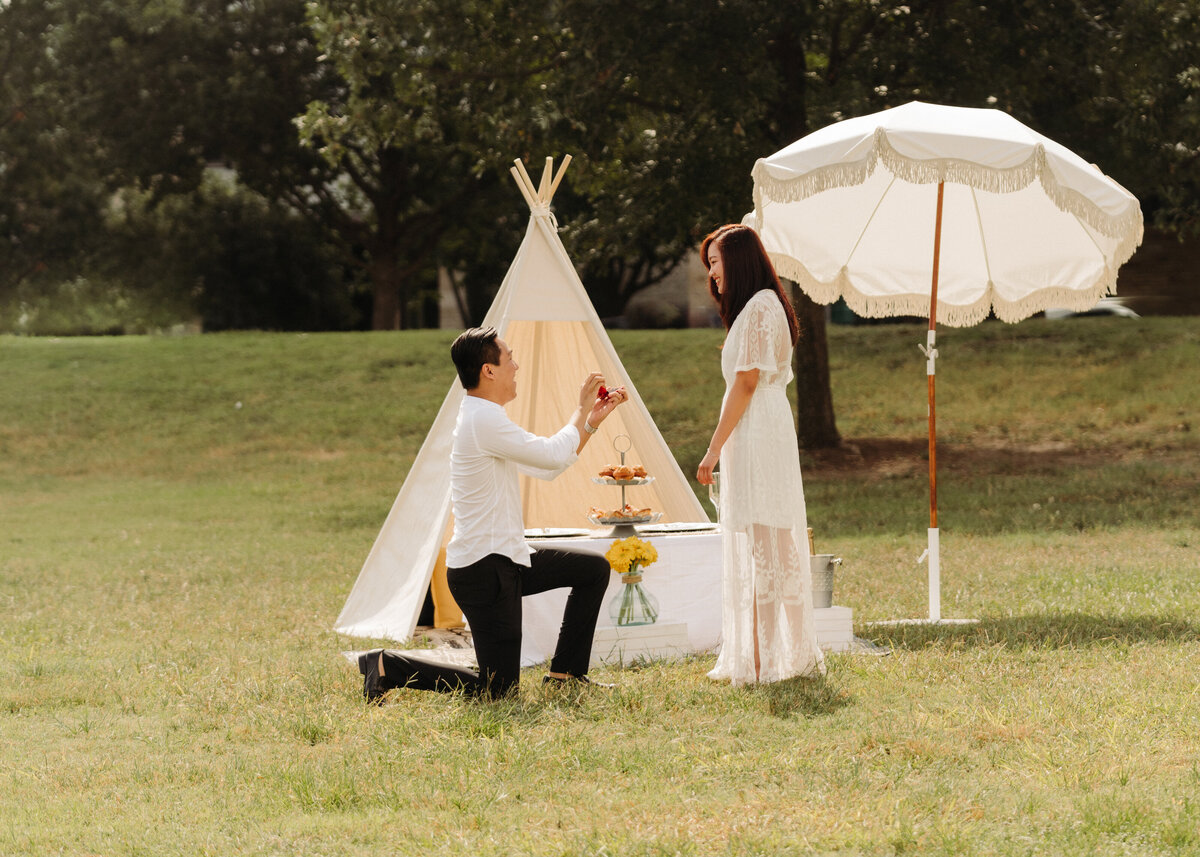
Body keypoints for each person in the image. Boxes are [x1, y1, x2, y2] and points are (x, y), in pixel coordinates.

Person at [358, 326, 628, 701]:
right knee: (498, 690)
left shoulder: (485, 417)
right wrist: (580, 409)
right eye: (510, 358)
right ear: (489, 370)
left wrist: (590, 423)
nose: (516, 366)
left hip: (508, 560)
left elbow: (548, 467)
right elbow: (551, 455)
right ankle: (387, 664)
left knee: (591, 570)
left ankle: (566, 674)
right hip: (483, 571)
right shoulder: (481, 419)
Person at [695, 224, 825, 685]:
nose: (711, 274)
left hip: (756, 429)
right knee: (773, 544)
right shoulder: (767, 304)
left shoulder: (758, 308)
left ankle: (766, 658)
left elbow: (745, 382)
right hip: (763, 425)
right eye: (708, 263)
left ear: (740, 260)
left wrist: (712, 450)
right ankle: (779, 653)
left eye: (715, 261)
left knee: (768, 544)